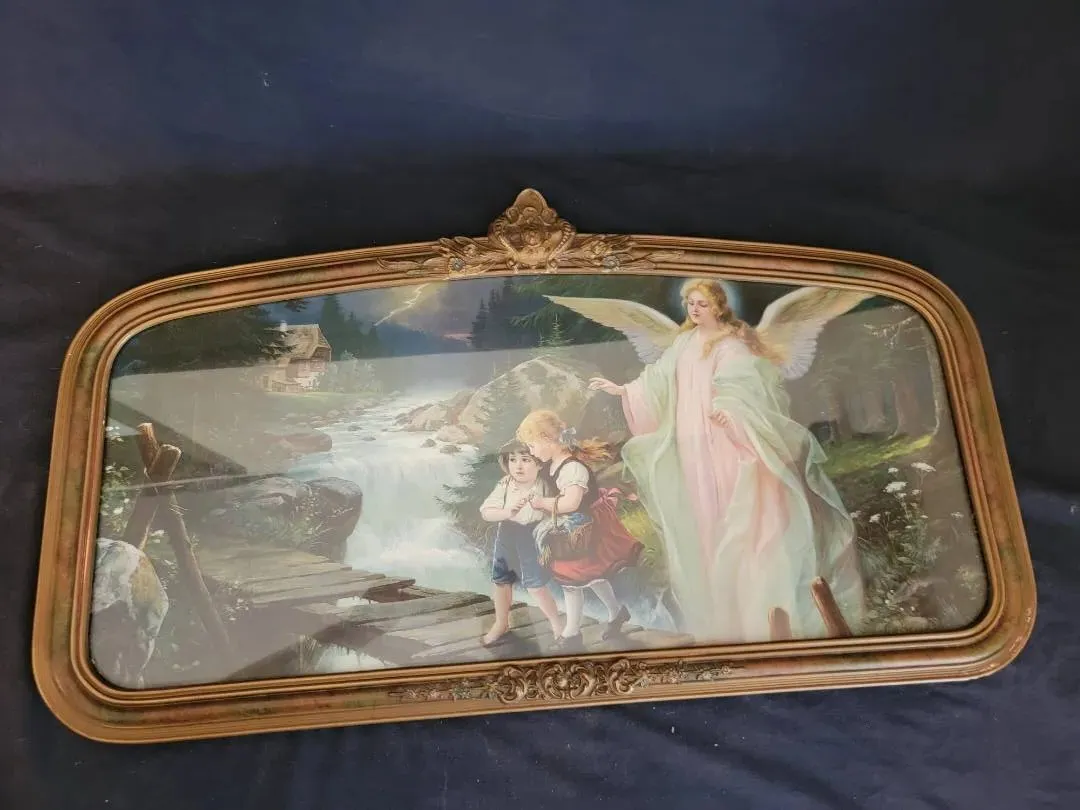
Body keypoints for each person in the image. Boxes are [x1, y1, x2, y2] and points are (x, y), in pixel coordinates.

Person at [588, 279, 865, 644]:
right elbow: (658, 381)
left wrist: (728, 411)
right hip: (693, 448)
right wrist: (624, 390)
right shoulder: (683, 342)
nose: (694, 309)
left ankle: (760, 615)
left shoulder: (733, 344)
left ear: (719, 306)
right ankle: (724, 619)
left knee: (740, 519)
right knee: (706, 521)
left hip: (726, 442)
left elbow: (746, 385)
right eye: (690, 303)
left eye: (702, 303)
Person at [516, 410, 643, 653]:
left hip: (583, 528)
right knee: (591, 575)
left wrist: (542, 503)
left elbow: (571, 503)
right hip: (572, 528)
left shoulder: (572, 468)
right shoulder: (552, 465)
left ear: (546, 439)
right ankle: (617, 612)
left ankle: (571, 634)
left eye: (532, 445)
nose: (531, 451)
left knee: (571, 581)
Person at [478, 441, 564, 647]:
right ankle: (501, 623)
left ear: (539, 464)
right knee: (501, 580)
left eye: (525, 460)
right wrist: (507, 512)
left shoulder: (544, 485)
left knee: (535, 584)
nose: (518, 466)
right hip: (507, 532)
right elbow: (486, 511)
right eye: (512, 460)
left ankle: (557, 625)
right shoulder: (505, 484)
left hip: (532, 534)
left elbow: (557, 510)